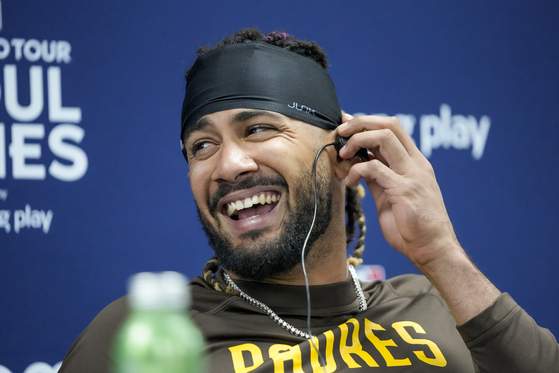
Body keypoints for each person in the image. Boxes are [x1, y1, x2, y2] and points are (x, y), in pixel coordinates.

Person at [59, 28, 559, 373]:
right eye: (202, 146)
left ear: (343, 155)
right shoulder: (140, 337)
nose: (228, 165)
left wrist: (441, 255)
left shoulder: (435, 305)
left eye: (258, 129)